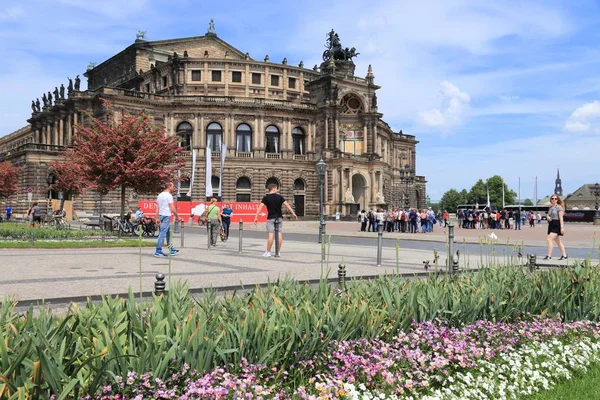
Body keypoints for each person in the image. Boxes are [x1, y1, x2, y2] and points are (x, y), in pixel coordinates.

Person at [253, 183, 297, 257]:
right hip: (279, 218)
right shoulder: (280, 197)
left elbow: (260, 208)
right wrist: (293, 213)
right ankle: (278, 251)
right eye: (276, 188)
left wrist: (256, 217)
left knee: (271, 234)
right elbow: (287, 205)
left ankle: (268, 252)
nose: (277, 190)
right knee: (279, 233)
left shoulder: (266, 198)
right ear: (273, 189)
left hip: (270, 218)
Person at [154, 182, 180, 258]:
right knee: (162, 233)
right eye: (173, 186)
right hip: (166, 215)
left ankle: (171, 248)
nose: (174, 187)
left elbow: (157, 208)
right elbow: (172, 207)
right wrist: (177, 216)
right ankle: (158, 251)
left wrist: (157, 217)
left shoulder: (160, 195)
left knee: (168, 232)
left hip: (161, 215)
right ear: (169, 187)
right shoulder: (168, 196)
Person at [544, 194, 567, 260]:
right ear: (551, 200)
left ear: (557, 200)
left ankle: (549, 256)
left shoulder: (559, 207)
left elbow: (561, 218)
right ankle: (564, 255)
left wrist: (562, 227)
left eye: (555, 198)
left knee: (549, 239)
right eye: (552, 198)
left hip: (556, 224)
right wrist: (547, 217)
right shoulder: (551, 207)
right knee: (558, 241)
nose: (554, 200)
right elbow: (548, 215)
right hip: (551, 224)